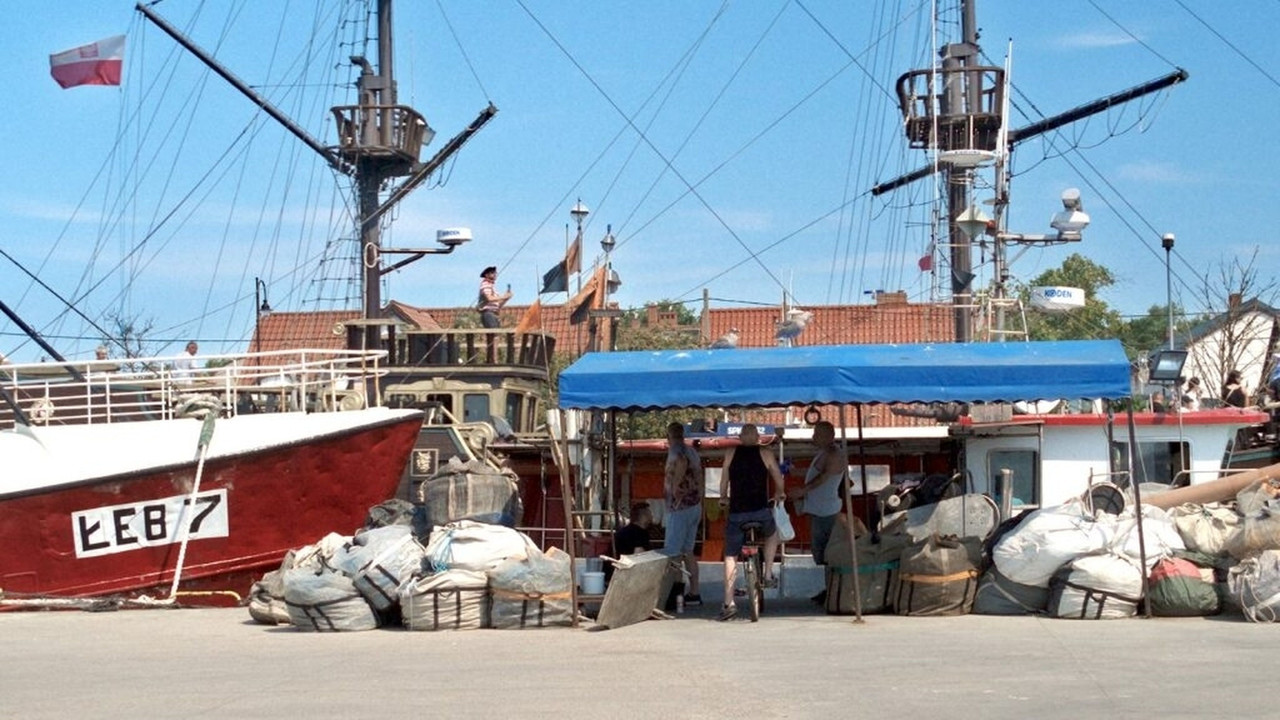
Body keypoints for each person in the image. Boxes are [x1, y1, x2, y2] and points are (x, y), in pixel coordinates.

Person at [717, 423, 785, 621]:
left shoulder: (731, 452)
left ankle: (729, 602)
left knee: (730, 555)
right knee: (772, 533)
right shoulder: (765, 452)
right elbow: (778, 477)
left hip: (737, 513)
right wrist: (779, 493)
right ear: (757, 438)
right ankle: (768, 573)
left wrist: (723, 497)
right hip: (760, 511)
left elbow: (724, 479)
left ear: (740, 437)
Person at [788, 420, 847, 604]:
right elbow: (814, 473)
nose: (813, 437)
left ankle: (834, 589)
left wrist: (802, 491)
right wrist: (795, 472)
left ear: (829, 436)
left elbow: (823, 477)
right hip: (817, 510)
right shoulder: (823, 453)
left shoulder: (835, 454)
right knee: (820, 552)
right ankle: (829, 587)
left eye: (817, 434)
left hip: (826, 511)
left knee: (829, 553)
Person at [662, 422, 704, 607]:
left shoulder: (676, 450)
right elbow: (699, 476)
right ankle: (694, 592)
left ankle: (675, 595)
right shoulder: (693, 452)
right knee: (688, 551)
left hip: (679, 507)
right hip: (694, 505)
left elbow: (681, 462)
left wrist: (676, 486)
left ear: (669, 436)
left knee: (673, 553)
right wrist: (700, 497)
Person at [605, 503, 654, 584]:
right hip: (625, 573)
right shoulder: (639, 533)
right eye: (650, 514)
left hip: (613, 571)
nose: (652, 516)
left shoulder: (625, 531)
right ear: (644, 517)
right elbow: (639, 556)